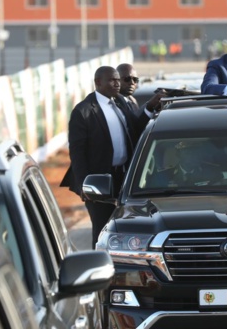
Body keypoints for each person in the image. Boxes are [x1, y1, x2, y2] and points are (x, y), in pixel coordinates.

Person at [61, 66, 164, 248]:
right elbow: (77, 153)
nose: (117, 84)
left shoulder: (120, 103)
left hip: (124, 177)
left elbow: (135, 128)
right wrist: (87, 184)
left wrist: (150, 106)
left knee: (125, 228)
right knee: (102, 229)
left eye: (118, 80)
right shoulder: (84, 110)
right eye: (112, 80)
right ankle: (100, 266)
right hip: (99, 181)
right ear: (98, 82)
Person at [150, 141, 223, 187]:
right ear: (178, 154)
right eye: (188, 152)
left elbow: (219, 197)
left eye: (196, 152)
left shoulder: (212, 173)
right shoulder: (163, 176)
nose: (194, 156)